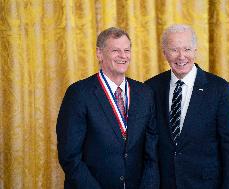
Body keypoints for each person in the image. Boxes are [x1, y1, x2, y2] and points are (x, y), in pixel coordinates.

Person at [57, 27, 159, 189]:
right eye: (115, 51)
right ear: (99, 54)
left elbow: (152, 153)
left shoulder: (144, 93)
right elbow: (70, 157)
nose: (123, 56)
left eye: (127, 50)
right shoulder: (79, 93)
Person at [145, 24, 229, 189]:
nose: (181, 56)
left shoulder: (219, 89)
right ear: (164, 53)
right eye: (174, 50)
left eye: (187, 49)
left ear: (195, 51)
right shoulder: (151, 88)